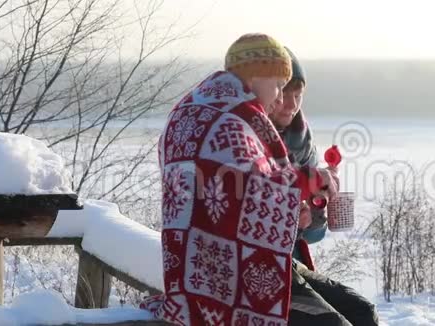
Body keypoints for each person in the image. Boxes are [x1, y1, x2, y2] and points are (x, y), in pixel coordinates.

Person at [139, 33, 338, 325]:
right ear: (259, 74)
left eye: (293, 91)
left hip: (200, 262)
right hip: (223, 274)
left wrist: (299, 208)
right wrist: (308, 180)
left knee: (356, 312)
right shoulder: (231, 115)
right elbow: (248, 183)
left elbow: (232, 190)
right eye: (280, 86)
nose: (283, 99)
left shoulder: (201, 106)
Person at [268, 47, 379, 326]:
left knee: (364, 312)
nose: (291, 104)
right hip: (259, 270)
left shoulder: (301, 141)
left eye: (298, 95)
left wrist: (316, 213)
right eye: (283, 94)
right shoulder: (248, 137)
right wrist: (292, 215)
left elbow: (312, 236)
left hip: (289, 263)